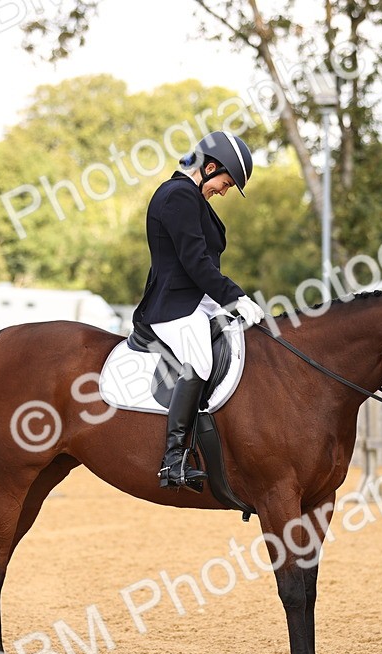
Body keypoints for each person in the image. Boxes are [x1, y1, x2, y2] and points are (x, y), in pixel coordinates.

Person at [132, 130, 266, 491]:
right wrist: (234, 296)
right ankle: (173, 459)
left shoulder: (192, 197)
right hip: (173, 305)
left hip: (196, 299)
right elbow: (195, 261)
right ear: (209, 168)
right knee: (201, 362)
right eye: (226, 183)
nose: (224, 191)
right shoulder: (178, 195)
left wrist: (231, 303)